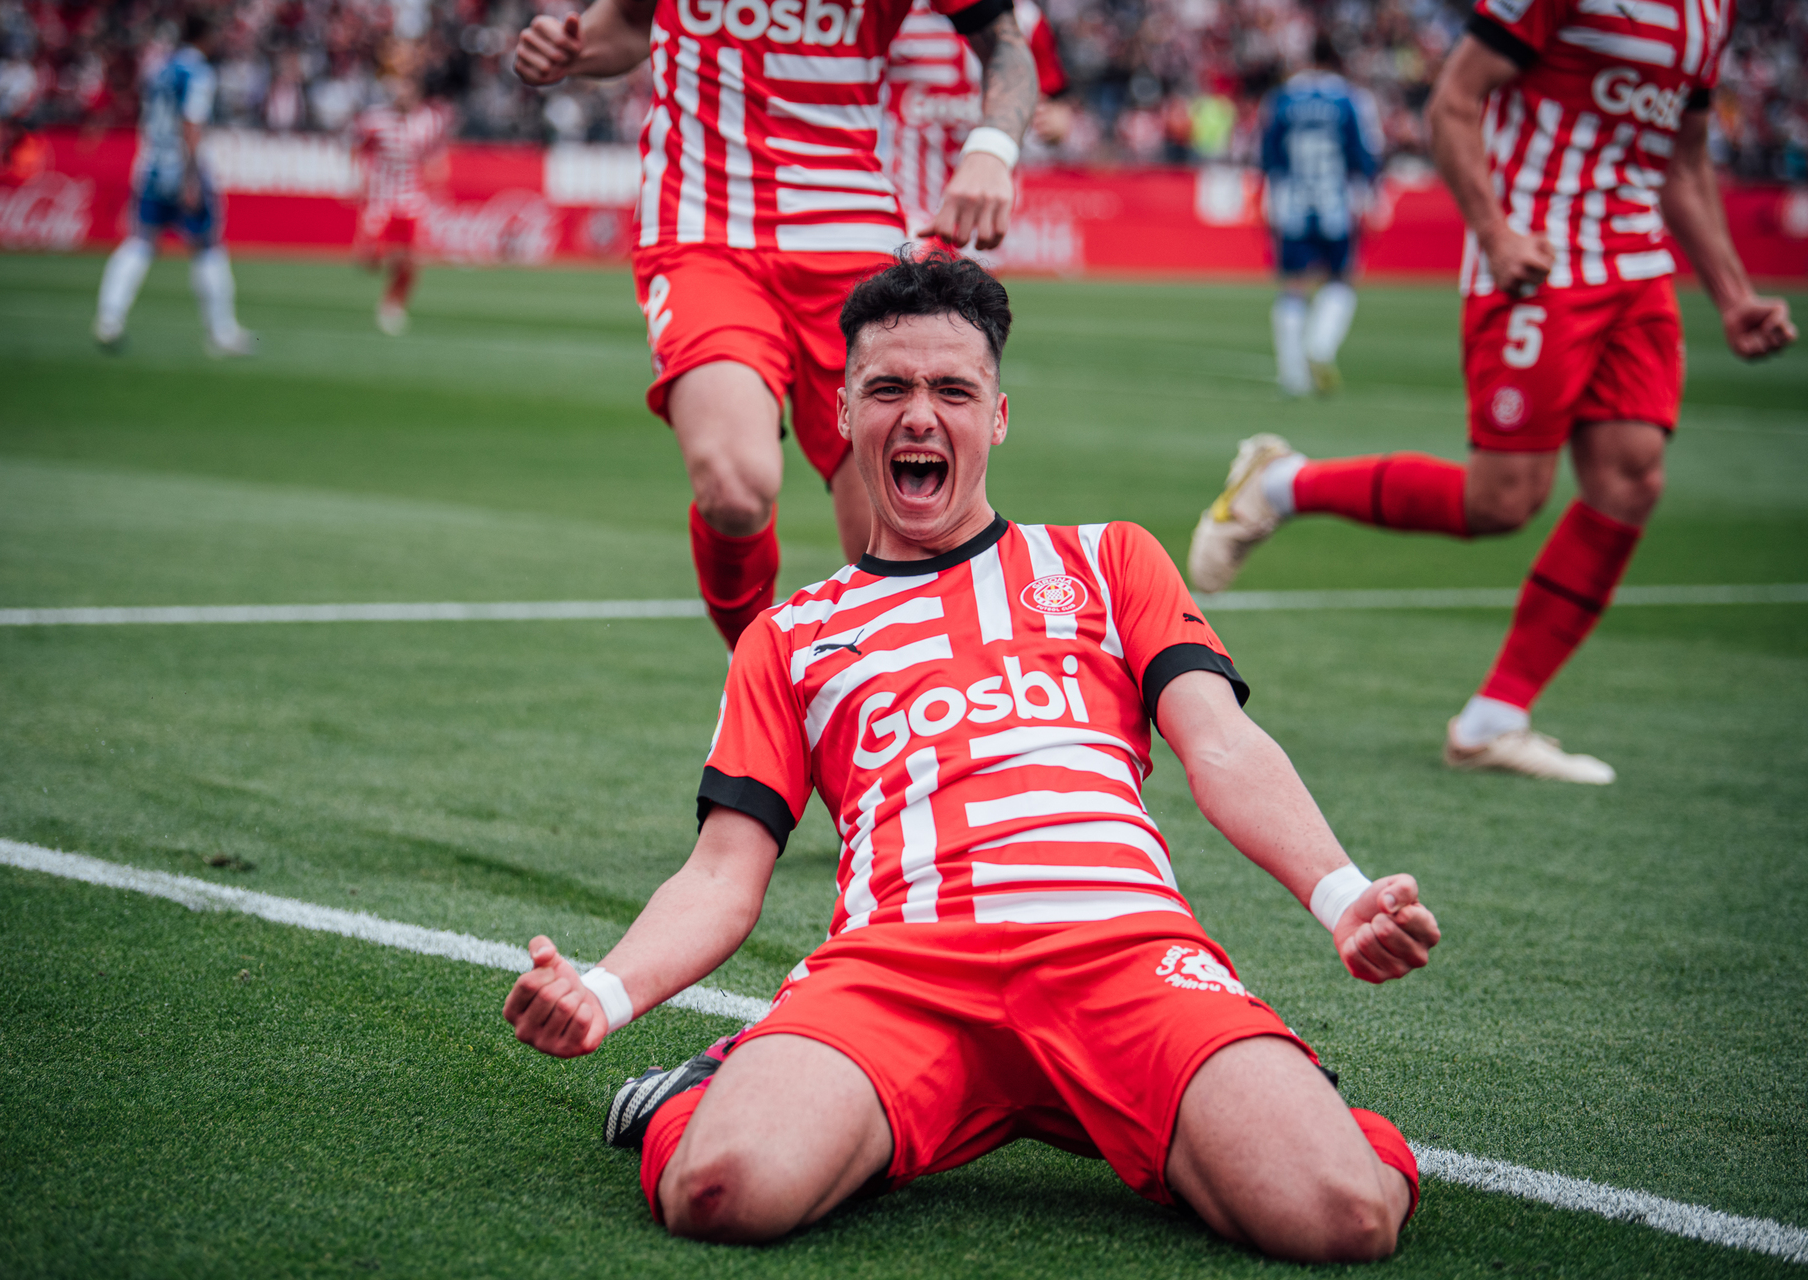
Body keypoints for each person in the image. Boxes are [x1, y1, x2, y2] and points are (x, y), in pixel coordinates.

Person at [503, 254, 1441, 1262]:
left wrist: (1341, 892)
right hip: (896, 972)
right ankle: (696, 1091)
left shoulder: (1108, 558)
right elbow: (726, 874)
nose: (919, 414)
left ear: (996, 415)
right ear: (845, 409)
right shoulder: (788, 635)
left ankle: (1303, 1102)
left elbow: (1220, 740)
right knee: (722, 1192)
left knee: (1345, 1216)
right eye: (889, 388)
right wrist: (604, 993)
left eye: (952, 389)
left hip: (1121, 954)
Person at [1188, 0, 1797, 783]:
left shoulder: (1712, 11)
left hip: (1638, 270)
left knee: (1632, 478)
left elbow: (1683, 161)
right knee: (1502, 501)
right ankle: (1279, 483)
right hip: (1538, 261)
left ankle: (1493, 719)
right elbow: (1453, 101)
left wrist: (1734, 293)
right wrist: (1495, 233)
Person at [512, 0, 1038, 648]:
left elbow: (1006, 43)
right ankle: (759, 684)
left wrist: (991, 148)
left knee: (899, 531)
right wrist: (568, 50)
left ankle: (886, 726)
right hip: (704, 230)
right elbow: (627, 21)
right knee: (735, 484)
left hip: (850, 233)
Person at [92, 12, 254, 358]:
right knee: (207, 245)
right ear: (206, 36)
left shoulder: (161, 68)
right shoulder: (197, 73)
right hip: (181, 169)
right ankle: (221, 332)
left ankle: (109, 318)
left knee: (140, 241)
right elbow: (191, 125)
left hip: (151, 166)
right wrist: (192, 178)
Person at [878, 0, 1066, 241]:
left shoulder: (1027, 19)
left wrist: (1057, 123)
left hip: (988, 198)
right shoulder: (894, 11)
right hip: (907, 197)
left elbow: (1056, 100)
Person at [1258, 33, 1380, 397]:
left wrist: (1269, 198)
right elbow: (1363, 153)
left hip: (1291, 200)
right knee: (1341, 279)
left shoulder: (1281, 99)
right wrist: (1371, 196)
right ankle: (1320, 347)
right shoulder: (1350, 99)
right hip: (1335, 202)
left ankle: (1292, 374)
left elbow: (1267, 155)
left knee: (1292, 284)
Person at [349, 39, 452, 337]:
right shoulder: (375, 120)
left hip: (410, 197)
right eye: (399, 87)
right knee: (370, 260)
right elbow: (358, 149)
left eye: (407, 87)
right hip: (380, 199)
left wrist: (437, 182)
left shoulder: (428, 121)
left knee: (410, 260)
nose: (402, 93)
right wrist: (360, 180)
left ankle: (392, 305)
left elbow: (435, 156)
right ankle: (378, 259)